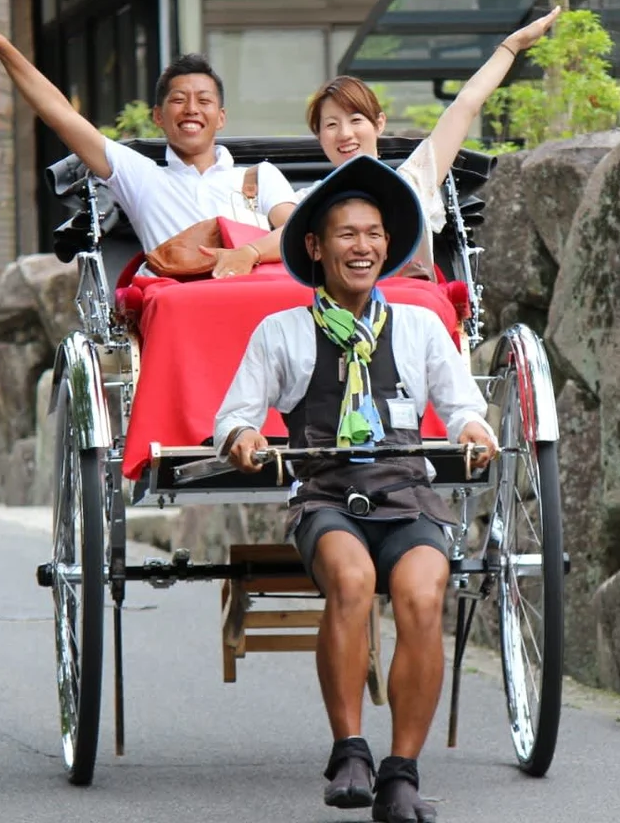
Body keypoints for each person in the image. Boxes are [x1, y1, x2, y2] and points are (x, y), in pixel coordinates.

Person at [214, 156, 498, 823]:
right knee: (349, 579)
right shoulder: (282, 332)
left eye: (373, 234)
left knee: (424, 596)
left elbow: (462, 408)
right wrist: (245, 440)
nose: (363, 246)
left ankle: (401, 773)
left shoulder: (422, 327)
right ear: (315, 247)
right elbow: (233, 417)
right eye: (346, 234)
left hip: (408, 493)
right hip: (327, 497)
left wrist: (477, 430)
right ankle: (350, 752)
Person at [206, 6, 560, 279]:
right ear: (320, 137)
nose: (344, 134)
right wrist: (251, 251)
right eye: (331, 125)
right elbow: (290, 237)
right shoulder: (310, 202)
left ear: (379, 124)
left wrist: (511, 47)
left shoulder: (411, 182)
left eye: (355, 120)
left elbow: (465, 104)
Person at [0, 0, 297, 269]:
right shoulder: (141, 177)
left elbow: (297, 235)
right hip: (180, 318)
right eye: (178, 100)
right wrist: (2, 48)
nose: (191, 109)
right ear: (158, 116)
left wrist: (247, 253)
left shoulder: (259, 177)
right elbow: (61, 114)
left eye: (203, 101)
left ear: (220, 118)